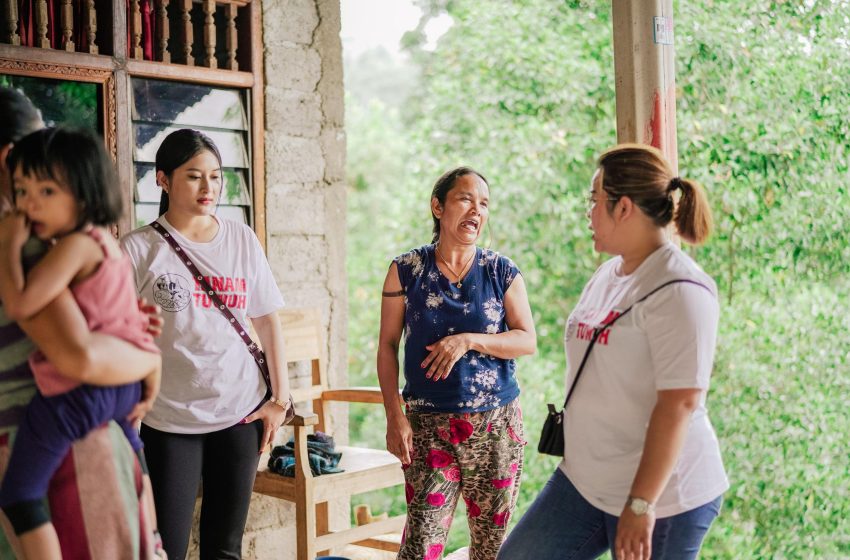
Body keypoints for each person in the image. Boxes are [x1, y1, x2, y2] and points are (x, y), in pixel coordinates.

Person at [497, 144, 728, 560]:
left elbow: (679, 405)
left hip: (662, 497)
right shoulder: (610, 272)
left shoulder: (682, 291)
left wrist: (641, 504)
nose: (588, 212)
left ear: (622, 208)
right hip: (586, 480)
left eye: (594, 200)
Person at [0, 87, 165, 559]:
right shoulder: (55, 245)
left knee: (22, 498)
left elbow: (80, 350)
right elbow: (86, 351)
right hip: (78, 439)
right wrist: (146, 358)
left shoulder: (39, 244)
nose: (31, 202)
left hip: (67, 437)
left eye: (46, 189)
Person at [121, 128, 291, 559]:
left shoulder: (240, 239)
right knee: (167, 550)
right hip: (169, 420)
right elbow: (115, 335)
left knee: (224, 549)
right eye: (194, 176)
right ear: (163, 179)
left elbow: (268, 323)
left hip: (239, 413)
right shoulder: (137, 250)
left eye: (215, 176)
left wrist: (280, 400)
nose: (208, 187)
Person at [377, 167, 537, 560]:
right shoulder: (406, 270)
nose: (476, 211)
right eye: (465, 199)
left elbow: (527, 339)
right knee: (420, 549)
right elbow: (386, 345)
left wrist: (467, 340)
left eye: (483, 204)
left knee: (491, 550)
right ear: (438, 207)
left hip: (495, 428)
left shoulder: (501, 271)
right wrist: (393, 415)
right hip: (427, 429)